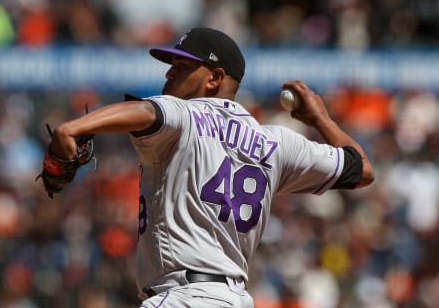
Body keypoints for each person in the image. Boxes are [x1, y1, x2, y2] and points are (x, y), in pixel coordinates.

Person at [43, 27, 374, 307]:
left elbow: (148, 113)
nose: (170, 72)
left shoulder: (185, 115)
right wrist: (321, 119)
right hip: (233, 298)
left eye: (183, 66)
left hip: (183, 296)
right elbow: (361, 169)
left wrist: (75, 127)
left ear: (215, 78)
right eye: (172, 63)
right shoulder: (277, 142)